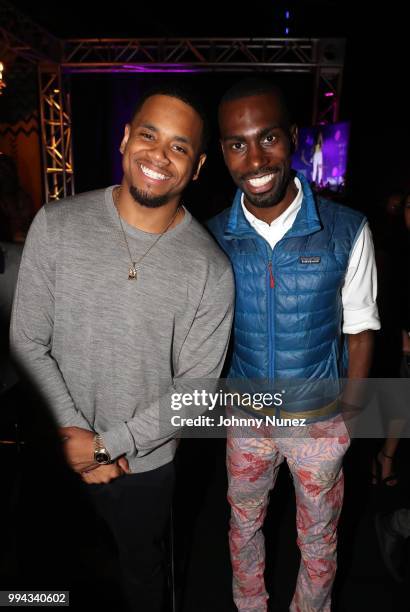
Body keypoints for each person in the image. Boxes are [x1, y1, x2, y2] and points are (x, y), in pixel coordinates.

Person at [10, 84, 234, 612]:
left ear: (197, 167)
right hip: (54, 448)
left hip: (145, 468)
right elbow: (26, 338)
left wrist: (107, 445)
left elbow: (197, 392)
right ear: (125, 138)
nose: (159, 155)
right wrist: (75, 441)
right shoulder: (56, 224)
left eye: (179, 147)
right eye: (149, 135)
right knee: (37, 581)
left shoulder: (209, 268)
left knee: (141, 581)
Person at [207, 77, 380, 612]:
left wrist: (347, 418)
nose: (254, 158)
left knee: (320, 540)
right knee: (242, 531)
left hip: (318, 419)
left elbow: (362, 328)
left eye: (268, 138)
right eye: (237, 144)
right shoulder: (211, 236)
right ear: (223, 153)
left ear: (294, 138)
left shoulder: (346, 229)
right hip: (246, 417)